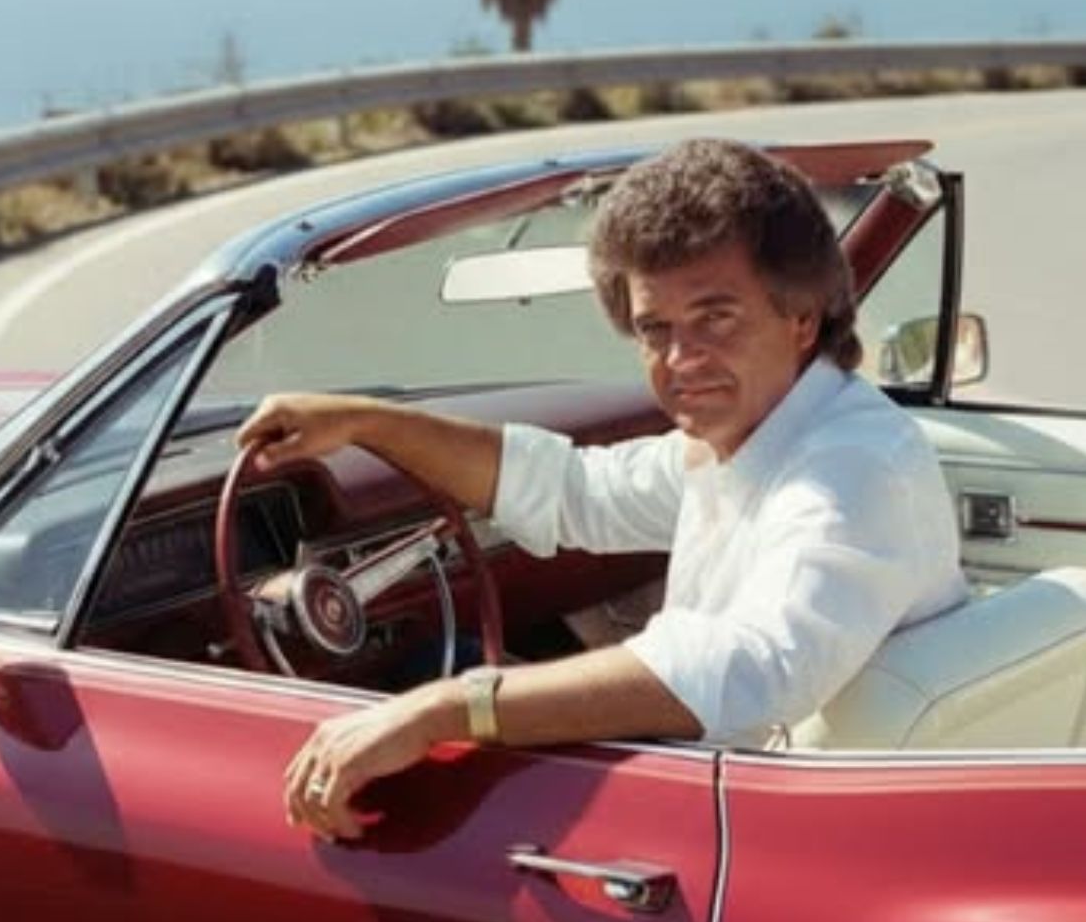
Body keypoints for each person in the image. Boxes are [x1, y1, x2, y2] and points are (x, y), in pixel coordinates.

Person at [236, 137, 966, 835]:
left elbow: (751, 667)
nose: (681, 359)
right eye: (655, 329)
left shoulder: (849, 468)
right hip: (750, 799)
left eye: (716, 318)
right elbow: (573, 490)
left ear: (801, 319)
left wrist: (444, 708)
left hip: (771, 834)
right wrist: (367, 423)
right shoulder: (762, 435)